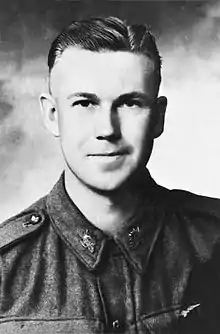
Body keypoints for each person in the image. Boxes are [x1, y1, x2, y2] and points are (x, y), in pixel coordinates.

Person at [0, 16, 220, 334]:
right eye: (85, 103)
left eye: (130, 103)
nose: (107, 129)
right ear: (52, 115)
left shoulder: (214, 240)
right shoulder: (5, 268)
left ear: (158, 118)